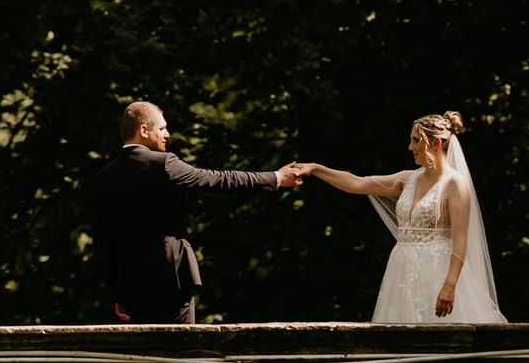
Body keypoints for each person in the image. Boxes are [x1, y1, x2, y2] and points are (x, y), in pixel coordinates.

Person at [86, 101, 308, 323]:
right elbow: (219, 180)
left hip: (132, 288)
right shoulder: (164, 163)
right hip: (172, 282)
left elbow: (106, 242)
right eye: (162, 128)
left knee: (146, 356)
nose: (168, 134)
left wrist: (118, 293)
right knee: (182, 353)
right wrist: (276, 178)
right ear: (144, 131)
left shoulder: (103, 178)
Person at [299, 110, 506, 323]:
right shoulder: (407, 179)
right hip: (403, 269)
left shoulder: (455, 183)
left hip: (438, 271)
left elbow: (460, 241)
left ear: (435, 143)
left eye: (416, 140)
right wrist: (315, 169)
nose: (410, 147)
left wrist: (449, 285)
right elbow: (357, 183)